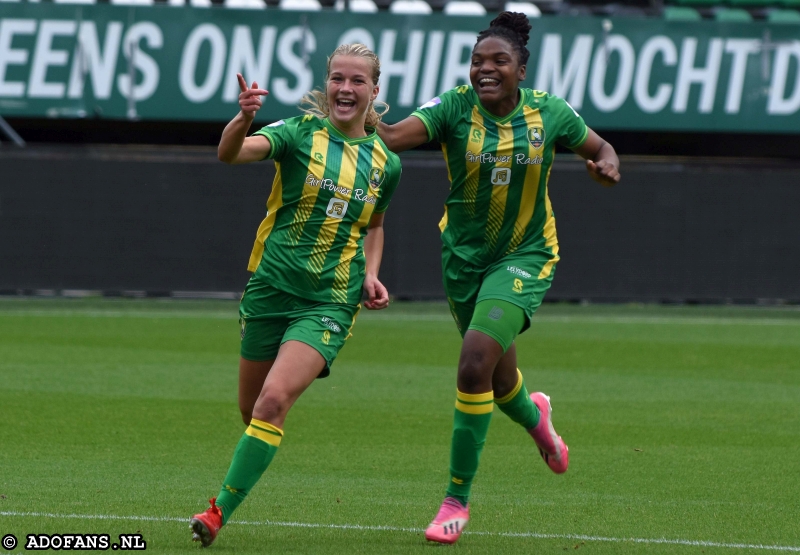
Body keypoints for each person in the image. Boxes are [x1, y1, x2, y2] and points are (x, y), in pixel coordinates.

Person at [378, 12, 620, 544]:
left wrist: (606, 165)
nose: (485, 70)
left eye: (498, 61)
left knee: (472, 365)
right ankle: (538, 420)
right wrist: (356, 109)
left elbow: (600, 147)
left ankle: (454, 503)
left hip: (525, 256)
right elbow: (393, 137)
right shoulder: (452, 107)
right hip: (463, 260)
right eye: (477, 62)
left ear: (521, 68)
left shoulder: (549, 113)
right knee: (500, 382)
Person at [189, 43, 401, 547]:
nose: (345, 89)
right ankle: (254, 455)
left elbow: (375, 225)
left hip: (329, 300)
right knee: (251, 411)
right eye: (337, 79)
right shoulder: (296, 133)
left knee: (273, 401)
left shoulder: (384, 164)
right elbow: (231, 153)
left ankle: (217, 512)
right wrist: (242, 119)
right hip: (269, 289)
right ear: (326, 84)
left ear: (375, 91)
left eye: (357, 81)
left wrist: (371, 273)